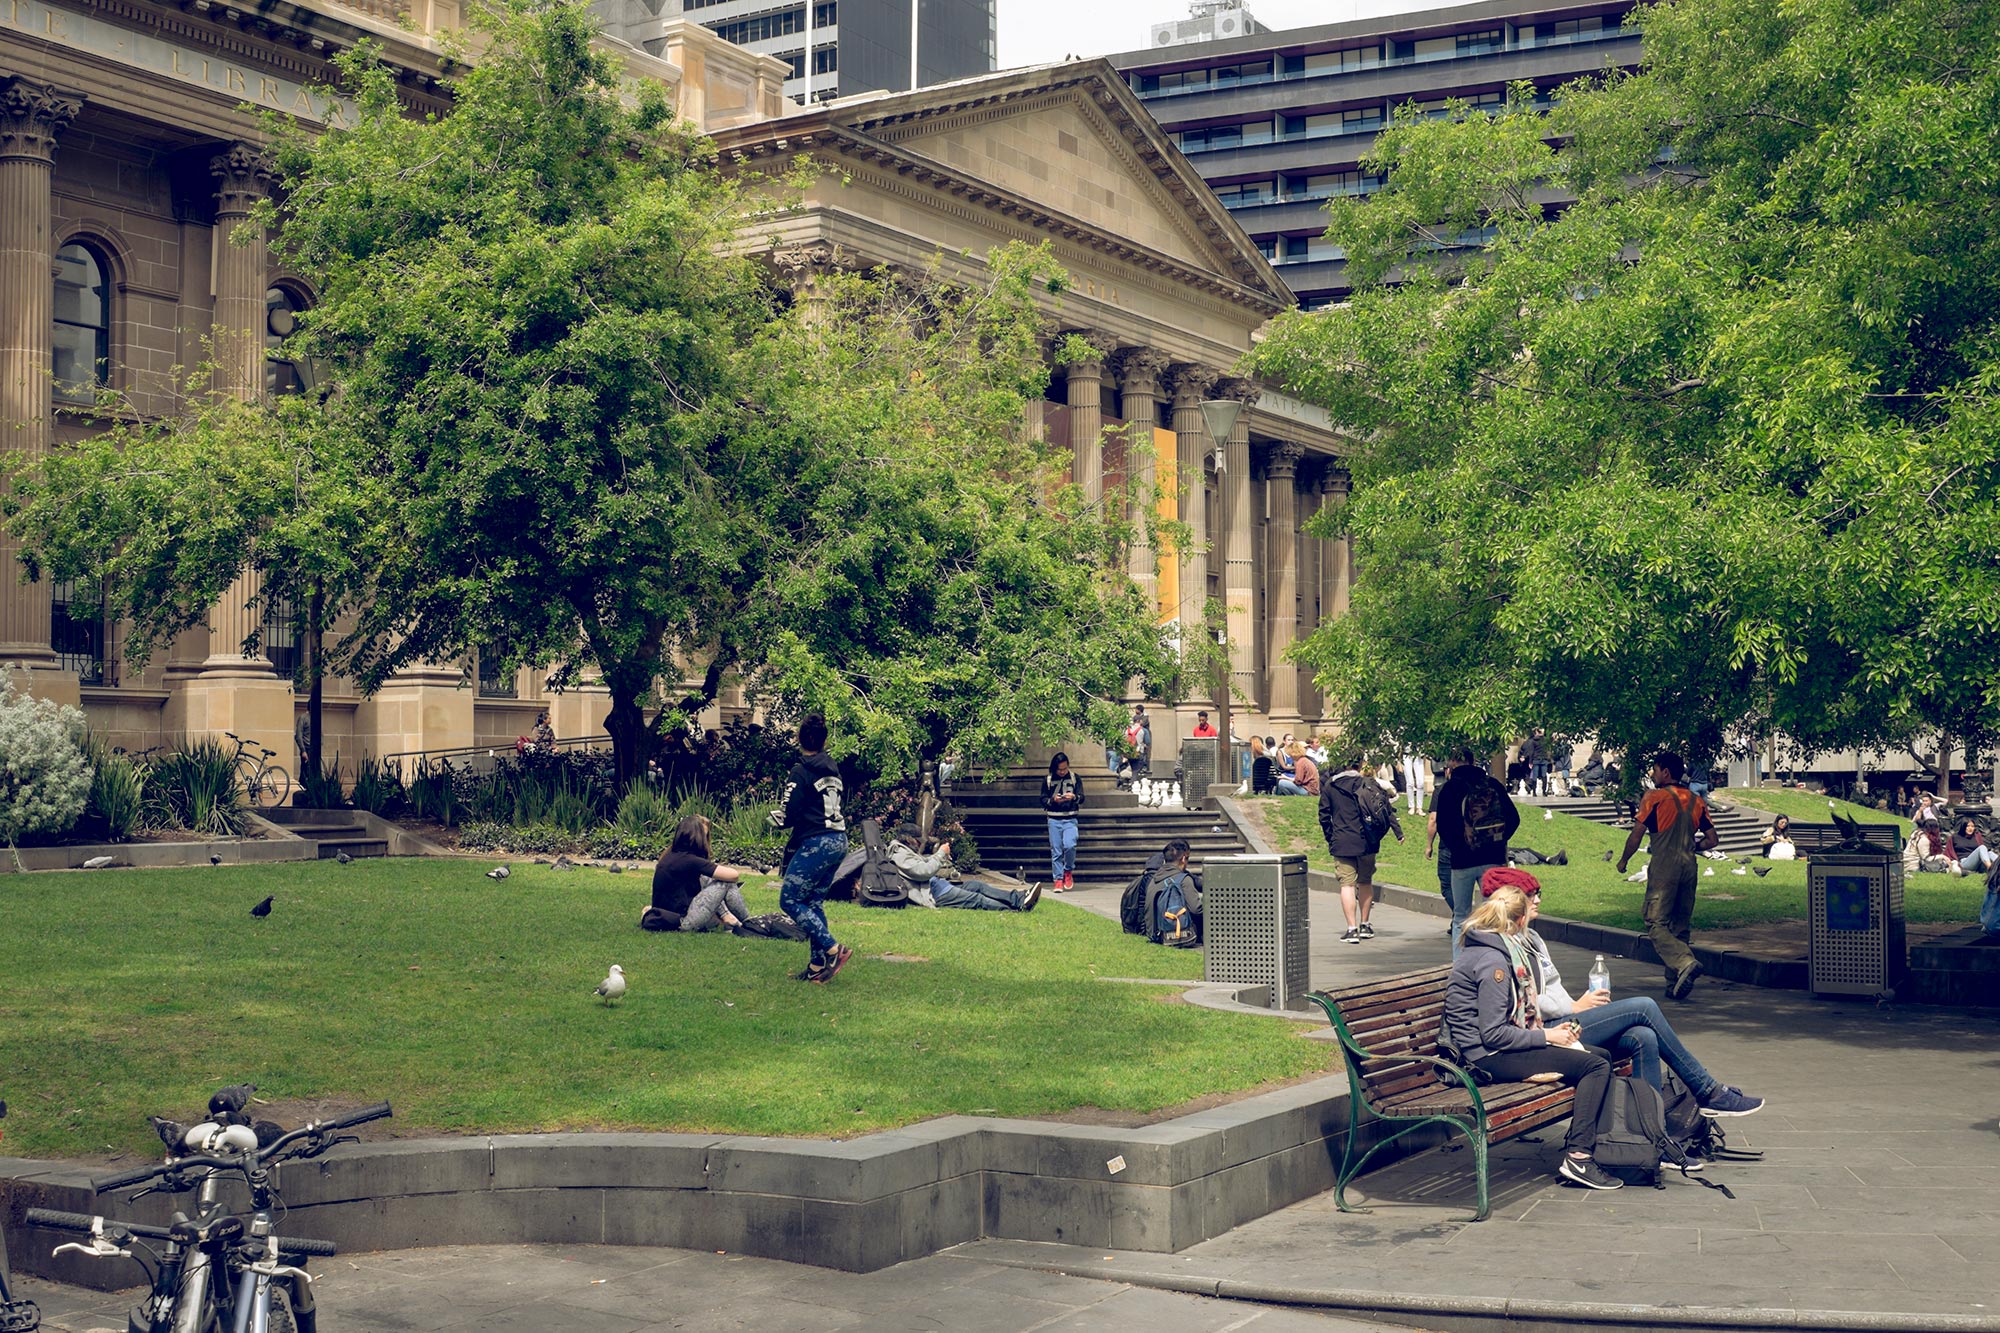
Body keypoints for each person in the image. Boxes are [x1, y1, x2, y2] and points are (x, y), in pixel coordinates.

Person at [1493, 870, 1765, 1116]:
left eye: (1538, 893)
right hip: (1548, 1032)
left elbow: (1551, 988)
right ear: (1511, 902)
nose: (1537, 900)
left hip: (1564, 1020)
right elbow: (1526, 1002)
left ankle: (1652, 1134)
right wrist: (1574, 1008)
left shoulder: (1532, 938)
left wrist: (1577, 1003)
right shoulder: (1505, 947)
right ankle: (1707, 1091)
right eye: (1530, 895)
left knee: (1642, 1035)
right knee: (1643, 1007)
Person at [1445, 885, 1623, 1191]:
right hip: (1484, 1057)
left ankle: (1593, 1144)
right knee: (1593, 1065)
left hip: (1496, 1048)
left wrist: (1554, 1034)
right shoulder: (1494, 962)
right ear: (1519, 921)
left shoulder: (1493, 949)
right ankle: (1579, 1157)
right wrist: (1547, 1036)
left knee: (1601, 1057)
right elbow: (1493, 1034)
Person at [1616, 751, 1719, 1001]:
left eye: (1655, 769)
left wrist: (1624, 860)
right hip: (1689, 865)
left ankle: (1684, 962)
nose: (1652, 773)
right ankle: (1674, 984)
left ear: (1666, 772)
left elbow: (1637, 834)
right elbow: (1713, 839)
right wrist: (1695, 847)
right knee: (1680, 925)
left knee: (1655, 921)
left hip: (1664, 866)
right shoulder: (1696, 800)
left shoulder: (1654, 797)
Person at [771, 715, 852, 983]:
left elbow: (790, 813)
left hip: (817, 841)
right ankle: (818, 968)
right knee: (813, 902)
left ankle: (832, 949)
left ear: (798, 738)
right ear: (825, 740)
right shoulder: (833, 769)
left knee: (790, 900)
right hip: (839, 839)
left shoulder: (800, 770)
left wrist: (775, 820)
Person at [1435, 745, 1519, 956]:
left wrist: (1459, 845)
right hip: (1492, 858)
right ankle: (1492, 958)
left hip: (1462, 860)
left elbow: (1442, 825)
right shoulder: (1491, 784)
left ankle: (1460, 964)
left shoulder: (1449, 788)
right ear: (1473, 762)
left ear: (1453, 763)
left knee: (1461, 915)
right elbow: (1514, 818)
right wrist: (1497, 840)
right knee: (1493, 913)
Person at [1320, 751, 1405, 942]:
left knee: (1347, 885)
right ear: (1360, 764)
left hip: (1343, 839)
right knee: (1365, 882)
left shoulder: (1331, 786)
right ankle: (1365, 924)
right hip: (1368, 839)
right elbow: (1385, 809)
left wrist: (1331, 837)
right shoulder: (1369, 783)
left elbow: (1324, 815)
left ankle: (1351, 928)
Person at [641, 815, 754, 933]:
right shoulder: (690, 860)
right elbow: (733, 875)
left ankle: (727, 917)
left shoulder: (670, 855)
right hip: (682, 921)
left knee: (708, 878)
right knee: (726, 882)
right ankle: (749, 922)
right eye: (704, 836)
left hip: (666, 917)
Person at [888, 825, 1040, 911]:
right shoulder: (899, 854)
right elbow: (923, 872)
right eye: (917, 840)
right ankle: (1016, 909)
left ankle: (1019, 898)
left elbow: (922, 864)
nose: (919, 843)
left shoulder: (905, 851)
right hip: (935, 893)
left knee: (978, 885)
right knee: (977, 899)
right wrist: (940, 853)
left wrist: (939, 857)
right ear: (909, 839)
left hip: (938, 885)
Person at [1042, 751, 1085, 893]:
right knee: (1056, 850)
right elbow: (1042, 799)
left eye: (1065, 769)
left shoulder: (1074, 778)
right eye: (1059, 769)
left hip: (1070, 818)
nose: (1062, 772)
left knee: (1070, 845)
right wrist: (1053, 800)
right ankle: (1058, 880)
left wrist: (1073, 797)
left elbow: (1082, 797)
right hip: (1054, 818)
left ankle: (1068, 870)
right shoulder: (1048, 779)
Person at [1125, 707, 1153, 778]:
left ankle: (1129, 782)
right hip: (1138, 752)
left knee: (1131, 768)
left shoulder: (1127, 730)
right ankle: (1133, 784)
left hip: (1128, 752)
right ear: (1139, 721)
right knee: (1135, 770)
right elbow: (1148, 742)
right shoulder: (1143, 730)